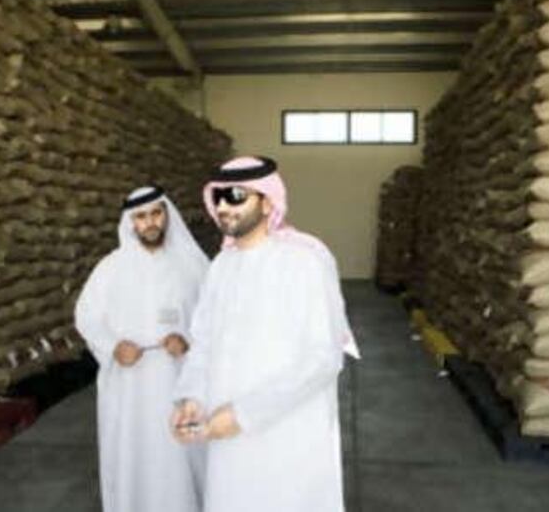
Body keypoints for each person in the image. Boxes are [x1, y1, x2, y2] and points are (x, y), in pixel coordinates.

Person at [171, 156, 359, 512]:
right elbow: (204, 342)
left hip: (289, 435)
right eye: (220, 196)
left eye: (238, 195)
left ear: (269, 201)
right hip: (225, 433)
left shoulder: (305, 262)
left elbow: (322, 358)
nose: (224, 205)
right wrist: (191, 398)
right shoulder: (221, 265)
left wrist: (244, 415)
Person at [75, 185, 208, 512]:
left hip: (179, 381)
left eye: (156, 213)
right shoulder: (111, 267)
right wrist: (113, 347)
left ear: (166, 215)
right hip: (129, 386)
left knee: (181, 456)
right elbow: (86, 315)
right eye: (141, 216)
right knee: (133, 456)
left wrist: (187, 341)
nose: (150, 222)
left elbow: (213, 319)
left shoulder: (193, 265)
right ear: (130, 223)